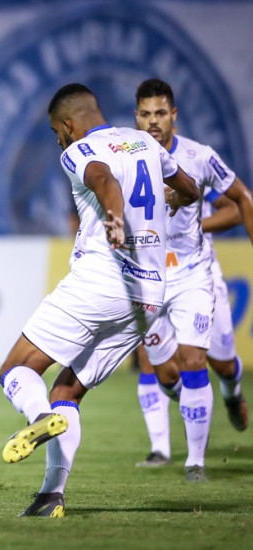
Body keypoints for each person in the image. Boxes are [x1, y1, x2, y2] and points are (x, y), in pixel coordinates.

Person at [0, 83, 199, 517]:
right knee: (66, 390)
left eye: (56, 131)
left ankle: (37, 419)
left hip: (103, 280)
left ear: (69, 125)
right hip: (149, 296)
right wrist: (174, 198)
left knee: (16, 368)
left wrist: (113, 217)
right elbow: (190, 187)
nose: (58, 140)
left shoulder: (78, 151)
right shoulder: (146, 140)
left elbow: (103, 178)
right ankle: (51, 497)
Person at [132, 79, 253, 477]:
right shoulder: (126, 157)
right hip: (148, 275)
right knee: (164, 372)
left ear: (174, 115)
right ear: (137, 116)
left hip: (193, 273)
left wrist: (202, 222)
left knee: (208, 360)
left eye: (161, 113)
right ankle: (185, 421)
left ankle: (196, 459)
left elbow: (241, 201)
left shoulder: (200, 157)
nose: (153, 122)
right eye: (146, 114)